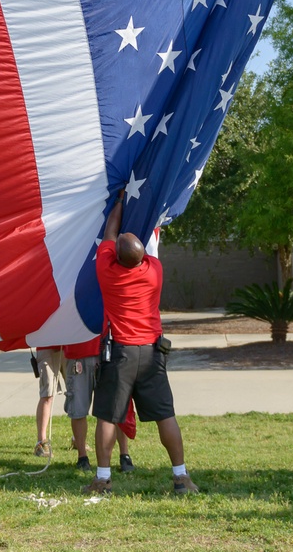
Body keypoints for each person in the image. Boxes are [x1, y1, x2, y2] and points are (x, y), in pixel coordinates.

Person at [83, 190, 198, 496]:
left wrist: (120, 201)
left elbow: (110, 231)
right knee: (165, 415)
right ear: (143, 259)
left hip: (119, 353)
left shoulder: (106, 271)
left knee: (107, 416)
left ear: (114, 257)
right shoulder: (154, 273)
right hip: (151, 354)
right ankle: (181, 476)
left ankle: (103, 479)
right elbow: (143, 246)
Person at [61, 336, 134, 473]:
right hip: (77, 355)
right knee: (78, 409)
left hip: (107, 352)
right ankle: (82, 457)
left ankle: (124, 455)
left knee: (115, 407)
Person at [32, 346, 64, 457]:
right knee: (47, 395)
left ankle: (78, 440)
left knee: (76, 393)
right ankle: (41, 442)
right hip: (46, 345)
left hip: (70, 345)